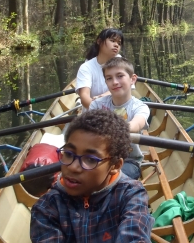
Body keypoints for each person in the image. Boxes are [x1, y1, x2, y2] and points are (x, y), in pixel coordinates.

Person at [30, 109, 153, 243]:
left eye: (90, 159)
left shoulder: (131, 195)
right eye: (69, 154)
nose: (73, 167)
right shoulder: (47, 207)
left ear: (115, 165)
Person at [89, 57, 150, 180]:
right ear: (106, 82)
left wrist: (113, 128)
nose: (115, 82)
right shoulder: (96, 105)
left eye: (120, 76)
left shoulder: (140, 107)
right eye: (109, 78)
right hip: (99, 157)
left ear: (132, 79)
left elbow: (136, 124)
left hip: (129, 161)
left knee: (111, 179)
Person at [76, 28, 124, 109]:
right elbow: (84, 98)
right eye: (112, 41)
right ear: (99, 41)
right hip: (95, 114)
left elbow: (127, 88)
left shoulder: (122, 63)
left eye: (119, 43)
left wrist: (105, 95)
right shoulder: (86, 67)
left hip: (119, 111)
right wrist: (102, 112)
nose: (116, 45)